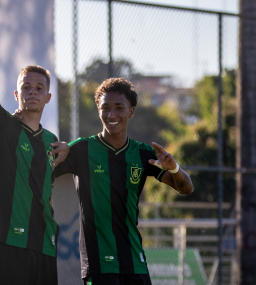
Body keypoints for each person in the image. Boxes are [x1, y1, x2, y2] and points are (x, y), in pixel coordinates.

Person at [0, 1, 69, 284]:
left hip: (45, 246)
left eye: (39, 88)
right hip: (9, 243)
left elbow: (47, 191)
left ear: (48, 98)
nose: (33, 92)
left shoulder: (52, 141)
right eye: (26, 87)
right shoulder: (4, 126)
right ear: (16, 95)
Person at [54, 77, 194, 285]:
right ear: (98, 110)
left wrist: (173, 168)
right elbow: (40, 172)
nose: (111, 115)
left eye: (119, 108)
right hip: (100, 263)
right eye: (105, 108)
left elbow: (185, 188)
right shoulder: (81, 150)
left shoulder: (143, 154)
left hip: (135, 260)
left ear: (131, 111)